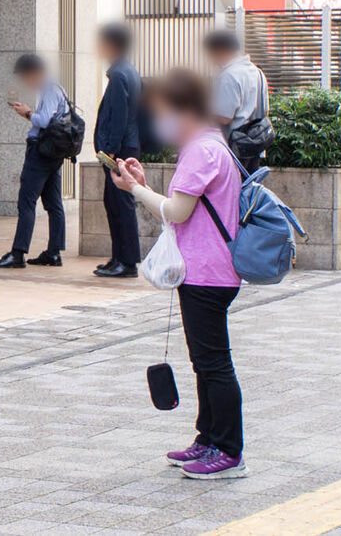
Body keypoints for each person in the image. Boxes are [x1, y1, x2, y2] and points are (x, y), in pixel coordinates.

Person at [108, 69, 248, 479]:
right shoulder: (211, 145)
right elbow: (181, 210)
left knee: (214, 364)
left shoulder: (201, 151)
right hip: (209, 270)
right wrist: (141, 184)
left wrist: (132, 190)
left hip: (206, 273)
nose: (161, 123)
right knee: (204, 363)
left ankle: (228, 450)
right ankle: (208, 439)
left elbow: (175, 212)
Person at [0, 53, 68, 269]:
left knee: (26, 201)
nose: (25, 81)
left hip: (41, 153)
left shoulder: (51, 89)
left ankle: (17, 253)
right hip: (53, 153)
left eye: (25, 76)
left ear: (33, 73)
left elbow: (43, 120)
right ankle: (53, 252)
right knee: (53, 203)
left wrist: (27, 112)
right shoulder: (57, 88)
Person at [93, 23, 143, 279]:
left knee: (121, 203)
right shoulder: (126, 71)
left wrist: (109, 150)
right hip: (124, 146)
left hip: (119, 150)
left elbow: (118, 117)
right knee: (114, 203)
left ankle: (128, 261)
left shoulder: (120, 75)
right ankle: (118, 258)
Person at [203, 28, 271, 172]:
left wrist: (202, 112)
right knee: (248, 190)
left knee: (231, 191)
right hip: (255, 145)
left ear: (220, 50)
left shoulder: (228, 76)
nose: (212, 61)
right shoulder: (257, 72)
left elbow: (224, 117)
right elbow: (266, 111)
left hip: (234, 148)